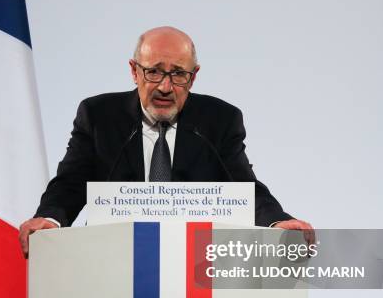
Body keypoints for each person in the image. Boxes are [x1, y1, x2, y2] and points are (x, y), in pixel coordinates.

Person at [19, 26, 313, 255]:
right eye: (154, 71)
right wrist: (50, 219)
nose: (165, 86)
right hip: (112, 258)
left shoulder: (219, 120)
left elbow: (245, 187)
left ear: (194, 76)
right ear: (134, 71)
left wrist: (277, 221)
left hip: (196, 264)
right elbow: (71, 182)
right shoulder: (99, 116)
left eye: (178, 74)